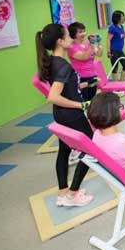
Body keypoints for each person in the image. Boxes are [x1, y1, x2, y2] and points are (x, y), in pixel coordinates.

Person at [36, 23, 94, 207]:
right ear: (60, 42)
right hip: (72, 116)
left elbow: (66, 87)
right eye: (68, 36)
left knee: (64, 151)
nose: (71, 39)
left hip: (61, 115)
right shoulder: (62, 65)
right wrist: (80, 104)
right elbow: (53, 96)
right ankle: (73, 194)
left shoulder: (53, 61)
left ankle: (63, 193)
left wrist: (85, 85)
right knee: (91, 149)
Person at [67, 22, 102, 101]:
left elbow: (99, 54)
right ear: (73, 34)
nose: (83, 34)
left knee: (92, 99)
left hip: (92, 75)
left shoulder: (87, 43)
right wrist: (92, 44)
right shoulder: (71, 47)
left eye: (84, 31)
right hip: (81, 78)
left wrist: (99, 42)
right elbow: (84, 57)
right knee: (84, 100)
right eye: (80, 32)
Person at [107, 10, 125, 81]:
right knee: (115, 67)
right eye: (122, 17)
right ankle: (115, 83)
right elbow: (108, 39)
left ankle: (122, 81)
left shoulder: (121, 27)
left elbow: (124, 36)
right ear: (117, 18)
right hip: (113, 50)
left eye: (123, 16)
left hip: (120, 50)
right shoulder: (112, 28)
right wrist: (108, 51)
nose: (123, 18)